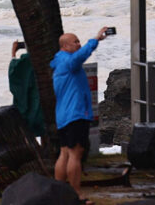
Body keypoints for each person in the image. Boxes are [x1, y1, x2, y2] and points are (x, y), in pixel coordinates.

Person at [50, 27, 108, 203]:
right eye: (75, 41)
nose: (79, 44)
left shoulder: (58, 62)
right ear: (65, 46)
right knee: (76, 153)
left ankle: (58, 193)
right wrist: (95, 40)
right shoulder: (69, 62)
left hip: (63, 115)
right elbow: (80, 56)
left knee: (65, 153)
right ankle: (76, 194)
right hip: (75, 114)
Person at [9, 40, 45, 137]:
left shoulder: (27, 59)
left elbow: (14, 73)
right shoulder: (49, 56)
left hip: (34, 104)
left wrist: (13, 52)